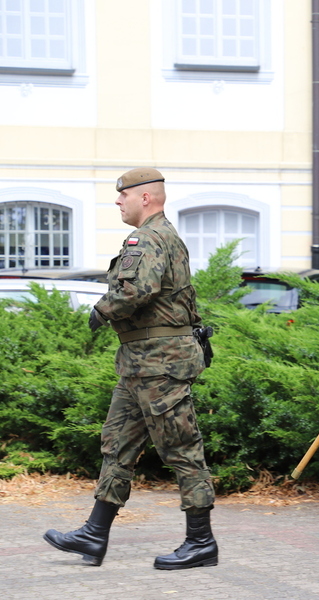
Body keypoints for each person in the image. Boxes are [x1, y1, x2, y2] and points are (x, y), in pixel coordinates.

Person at [43, 168, 218, 570]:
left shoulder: (151, 237)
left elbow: (136, 290)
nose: (118, 201)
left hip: (161, 366)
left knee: (182, 450)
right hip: (140, 364)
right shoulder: (153, 235)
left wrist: (100, 311)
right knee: (117, 445)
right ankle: (94, 533)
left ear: (146, 198)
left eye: (124, 195)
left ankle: (201, 542)